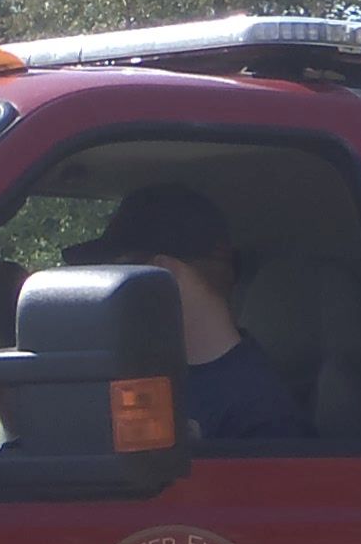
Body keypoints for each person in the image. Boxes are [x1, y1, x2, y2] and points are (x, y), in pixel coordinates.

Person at [82, 183, 310, 442]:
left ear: (163, 274)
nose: (109, 291)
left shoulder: (262, 413)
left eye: (119, 272)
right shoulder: (150, 376)